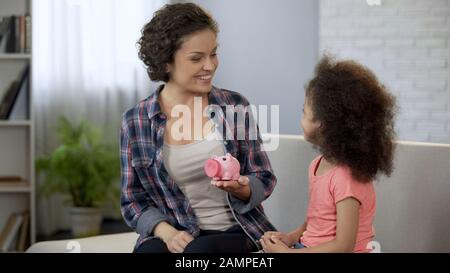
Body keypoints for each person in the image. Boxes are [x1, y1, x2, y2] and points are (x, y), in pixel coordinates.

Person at [120, 2, 277, 253]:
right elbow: (132, 200)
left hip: (234, 230)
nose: (210, 65)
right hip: (172, 230)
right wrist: (166, 232)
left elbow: (264, 177)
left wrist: (242, 187)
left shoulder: (234, 106)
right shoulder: (136, 121)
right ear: (166, 62)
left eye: (213, 53)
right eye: (196, 58)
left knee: (197, 254)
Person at [260, 55, 396, 253]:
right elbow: (316, 221)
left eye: (304, 112)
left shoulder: (346, 178)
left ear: (323, 123)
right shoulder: (317, 164)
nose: (301, 119)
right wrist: (290, 237)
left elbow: (343, 246)